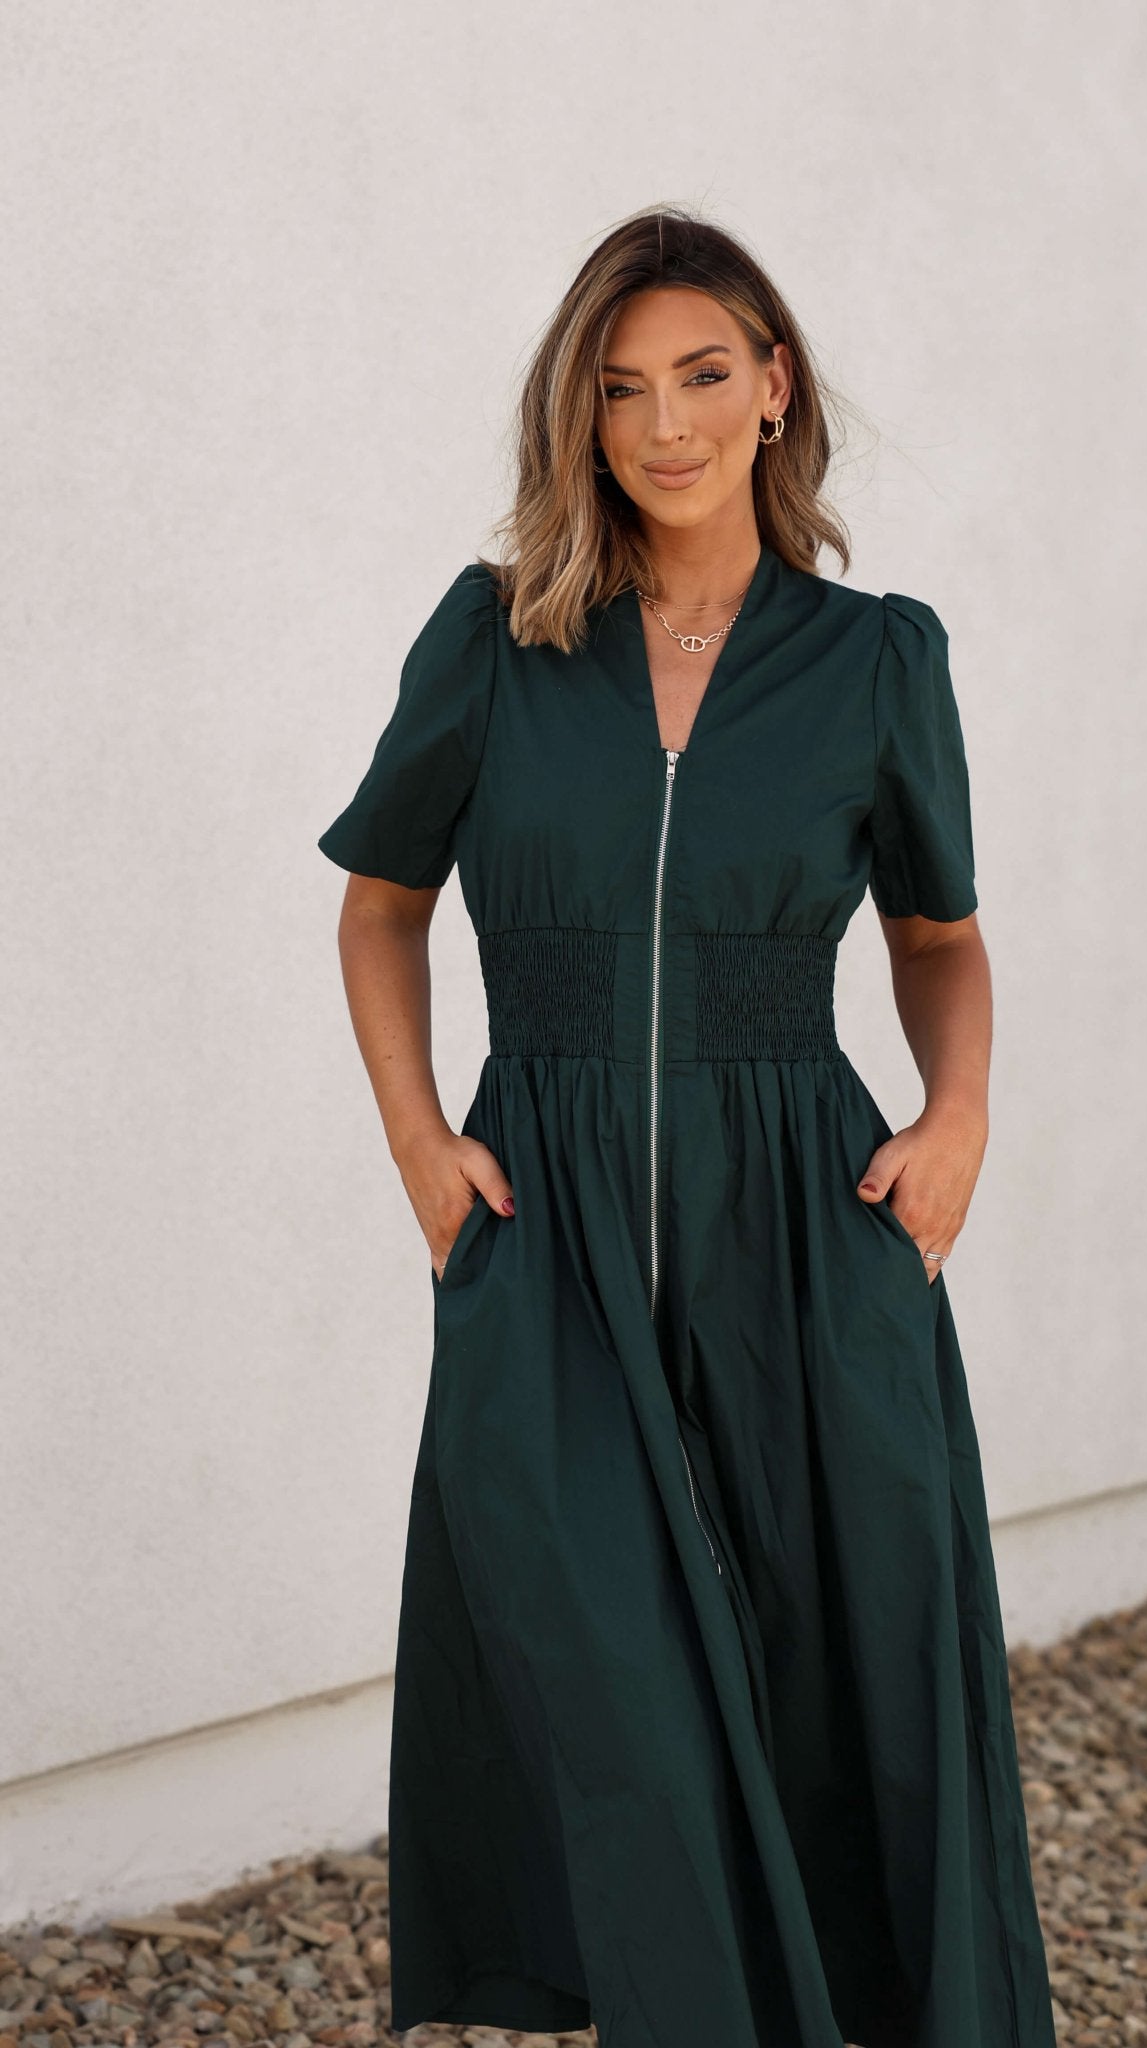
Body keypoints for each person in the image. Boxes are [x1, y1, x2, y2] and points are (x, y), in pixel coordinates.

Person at [318, 203, 1056, 2048]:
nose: (663, 424)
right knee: (625, 1717)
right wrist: (422, 1145)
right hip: (544, 1233)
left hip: (807, 1232)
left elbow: (941, 942)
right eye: (621, 389)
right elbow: (380, 905)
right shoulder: (496, 638)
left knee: (850, 1700)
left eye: (703, 375)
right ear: (577, 420)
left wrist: (956, 1116)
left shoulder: (875, 657)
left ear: (772, 386)